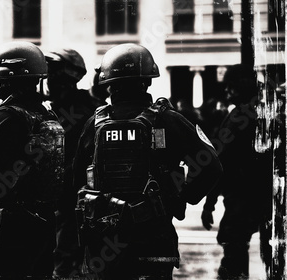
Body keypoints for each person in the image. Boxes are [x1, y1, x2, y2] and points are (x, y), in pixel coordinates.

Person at [73, 43, 223, 279]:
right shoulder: (168, 119)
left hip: (105, 243)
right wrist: (182, 197)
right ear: (148, 80)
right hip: (154, 239)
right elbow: (212, 166)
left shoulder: (95, 123)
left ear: (109, 84)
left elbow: (77, 179)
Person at [0, 41, 65, 280]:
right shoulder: (48, 116)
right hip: (43, 225)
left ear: (8, 77)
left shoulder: (2, 119)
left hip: (8, 229)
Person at [200, 64, 273, 279]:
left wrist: (209, 202)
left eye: (230, 87)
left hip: (240, 198)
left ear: (238, 89)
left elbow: (219, 162)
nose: (227, 92)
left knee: (233, 249)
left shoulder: (236, 119)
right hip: (264, 196)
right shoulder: (268, 115)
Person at [44, 48, 98, 278]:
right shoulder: (49, 110)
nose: (49, 82)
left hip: (72, 203)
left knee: (65, 264)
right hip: (54, 203)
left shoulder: (86, 109)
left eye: (54, 76)